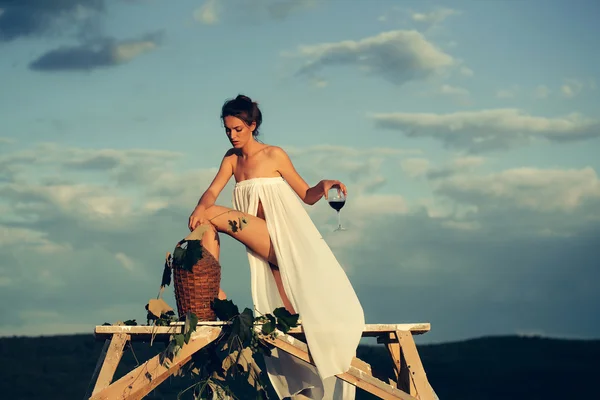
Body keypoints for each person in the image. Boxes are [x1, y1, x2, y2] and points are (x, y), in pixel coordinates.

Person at [188, 94, 365, 400]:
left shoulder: (274, 155)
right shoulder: (231, 160)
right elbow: (212, 190)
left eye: (238, 129)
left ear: (253, 125)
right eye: (228, 130)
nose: (232, 135)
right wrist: (197, 208)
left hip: (282, 240)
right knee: (288, 320)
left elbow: (306, 195)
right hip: (264, 251)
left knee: (212, 215)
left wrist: (322, 185)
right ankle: (209, 296)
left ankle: (213, 296)